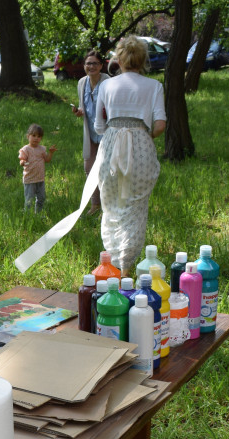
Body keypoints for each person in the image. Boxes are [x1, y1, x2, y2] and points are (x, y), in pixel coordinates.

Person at [94, 35, 167, 271]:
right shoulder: (154, 86)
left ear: (119, 59)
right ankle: (125, 267)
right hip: (140, 150)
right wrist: (143, 135)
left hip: (111, 148)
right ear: (143, 60)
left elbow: (98, 126)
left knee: (112, 207)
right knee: (135, 208)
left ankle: (112, 265)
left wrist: (116, 131)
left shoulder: (106, 85)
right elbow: (159, 126)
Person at [72, 50, 109, 213]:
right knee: (89, 168)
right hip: (90, 133)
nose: (91, 66)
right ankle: (95, 205)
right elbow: (84, 106)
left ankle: (108, 206)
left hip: (107, 133)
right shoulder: (82, 83)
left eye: (95, 63)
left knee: (106, 170)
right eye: (88, 63)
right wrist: (79, 111)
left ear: (101, 65)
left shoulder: (108, 82)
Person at [18, 123, 57, 213]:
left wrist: (51, 153)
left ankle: (38, 214)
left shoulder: (42, 149)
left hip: (40, 178)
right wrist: (23, 162)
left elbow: (47, 160)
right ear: (28, 136)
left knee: (41, 197)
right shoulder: (25, 149)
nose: (36, 138)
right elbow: (22, 160)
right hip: (29, 179)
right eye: (34, 135)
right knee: (29, 199)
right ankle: (28, 216)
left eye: (39, 136)